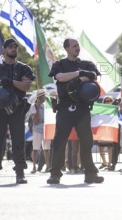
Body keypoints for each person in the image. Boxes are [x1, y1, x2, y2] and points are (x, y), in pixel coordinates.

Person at [47, 38, 104, 185]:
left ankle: (90, 174)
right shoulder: (60, 64)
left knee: (86, 142)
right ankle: (55, 174)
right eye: (74, 46)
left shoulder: (87, 64)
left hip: (82, 108)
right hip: (65, 108)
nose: (77, 48)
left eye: (78, 45)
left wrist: (81, 76)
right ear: (66, 48)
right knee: (60, 142)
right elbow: (60, 77)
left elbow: (93, 76)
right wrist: (79, 74)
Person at [0, 38, 35, 184]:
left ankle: (20, 172)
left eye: (15, 47)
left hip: (17, 110)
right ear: (4, 50)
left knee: (18, 141)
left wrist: (11, 82)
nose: (14, 49)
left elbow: (26, 86)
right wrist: (2, 81)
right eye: (10, 47)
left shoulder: (24, 68)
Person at [29, 89, 51, 173]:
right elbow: (35, 121)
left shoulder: (47, 106)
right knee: (35, 148)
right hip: (37, 129)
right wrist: (38, 108)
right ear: (39, 97)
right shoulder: (33, 106)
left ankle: (48, 167)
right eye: (43, 96)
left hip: (46, 128)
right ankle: (34, 166)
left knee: (47, 149)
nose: (45, 97)